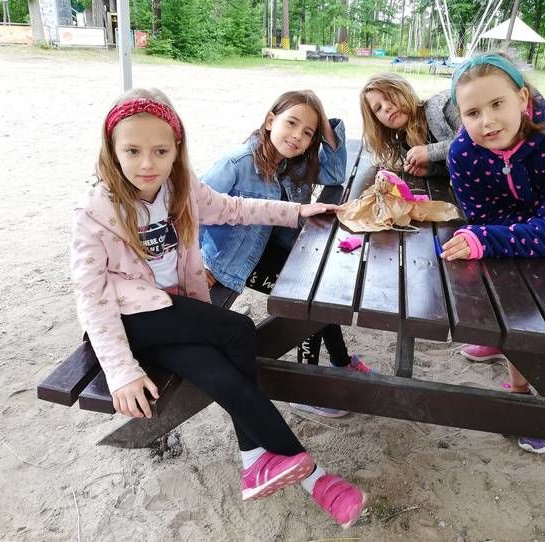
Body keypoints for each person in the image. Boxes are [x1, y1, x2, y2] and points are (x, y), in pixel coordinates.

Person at [70, 87, 366, 527]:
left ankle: (262, 462)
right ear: (112, 149)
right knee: (238, 330)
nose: (147, 163)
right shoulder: (96, 210)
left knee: (217, 367)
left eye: (160, 151)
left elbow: (234, 209)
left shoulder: (179, 188)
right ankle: (302, 473)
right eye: (132, 150)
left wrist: (297, 213)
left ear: (177, 149)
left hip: (173, 313)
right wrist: (121, 371)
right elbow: (91, 296)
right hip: (128, 321)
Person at [440, 54, 545, 454]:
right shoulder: (462, 153)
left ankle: (526, 398)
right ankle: (505, 348)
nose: (487, 121)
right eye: (473, 113)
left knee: (542, 328)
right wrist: (520, 230)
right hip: (525, 243)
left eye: (497, 104)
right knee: (507, 307)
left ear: (522, 98)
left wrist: (497, 236)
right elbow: (483, 218)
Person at [200, 90, 372, 418]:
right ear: (270, 121)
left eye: (307, 132)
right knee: (310, 296)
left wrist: (324, 124)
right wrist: (196, 263)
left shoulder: (296, 164)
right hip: (236, 259)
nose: (297, 136)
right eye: (291, 123)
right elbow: (191, 208)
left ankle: (339, 361)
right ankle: (304, 390)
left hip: (277, 249)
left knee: (320, 287)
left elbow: (336, 173)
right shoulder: (237, 162)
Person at [360, 72, 461, 177]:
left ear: (405, 91)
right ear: (376, 121)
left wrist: (430, 152)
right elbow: (461, 171)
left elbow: (470, 143)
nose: (386, 107)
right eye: (378, 108)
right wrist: (431, 170)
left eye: (389, 96)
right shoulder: (406, 145)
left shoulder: (440, 108)